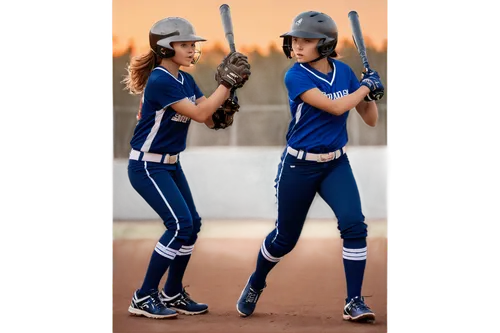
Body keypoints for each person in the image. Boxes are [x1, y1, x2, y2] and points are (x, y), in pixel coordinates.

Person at [235, 11, 384, 323]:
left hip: (335, 164)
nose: (297, 46)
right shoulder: (296, 75)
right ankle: (257, 281)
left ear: (326, 45)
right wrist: (363, 86)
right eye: (295, 40)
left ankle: (354, 301)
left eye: (306, 41)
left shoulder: (343, 73)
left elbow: (369, 119)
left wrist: (371, 95)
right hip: (298, 166)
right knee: (284, 240)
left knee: (355, 226)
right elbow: (335, 106)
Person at [121, 17, 251, 319]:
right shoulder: (160, 80)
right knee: (179, 225)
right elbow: (200, 111)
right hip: (147, 166)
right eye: (185, 45)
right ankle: (143, 296)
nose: (193, 49)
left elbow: (209, 119)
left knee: (192, 224)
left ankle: (172, 292)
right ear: (166, 48)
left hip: (171, 165)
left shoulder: (185, 80)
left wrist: (227, 100)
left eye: (194, 45)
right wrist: (225, 83)